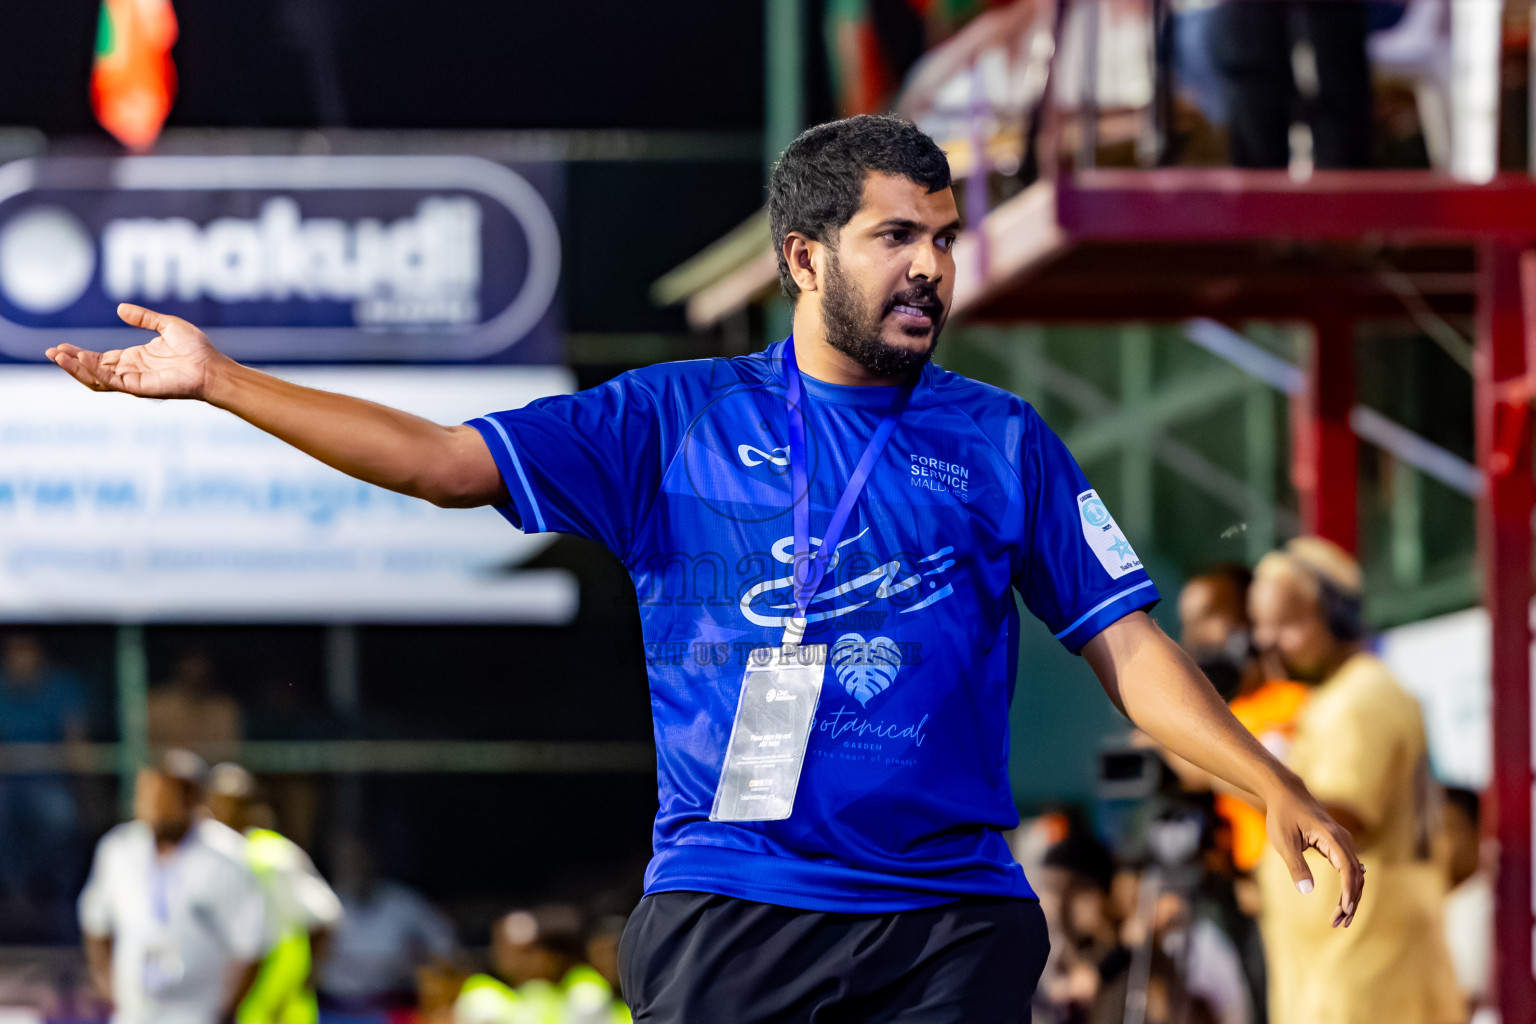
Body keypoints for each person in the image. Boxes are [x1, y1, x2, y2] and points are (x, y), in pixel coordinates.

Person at [46, 113, 1361, 1023]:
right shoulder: (665, 420)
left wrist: (1270, 778)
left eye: (945, 239)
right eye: (897, 237)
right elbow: (442, 462)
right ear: (804, 257)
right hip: (736, 909)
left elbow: (1127, 647)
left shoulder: (1001, 439)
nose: (932, 269)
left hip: (951, 922)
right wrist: (224, 382)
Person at [1248, 537, 1460, 1024]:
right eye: (1262, 627)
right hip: (1345, 978)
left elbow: (1335, 821)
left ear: (1337, 616)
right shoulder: (1333, 699)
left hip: (1368, 985)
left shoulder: (1362, 697)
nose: (1268, 643)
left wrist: (1221, 772)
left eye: (1288, 624)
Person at [77, 749, 269, 1024]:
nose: (156, 806)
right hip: (135, 1012)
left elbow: (250, 946)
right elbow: (95, 922)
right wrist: (110, 989)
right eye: (150, 796)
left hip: (198, 1013)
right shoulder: (120, 849)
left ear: (194, 798)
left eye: (167, 797)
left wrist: (226, 1010)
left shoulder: (228, 857)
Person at [203, 763, 343, 1024]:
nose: (227, 813)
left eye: (236, 803)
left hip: (275, 1011)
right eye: (219, 803)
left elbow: (324, 921)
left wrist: (298, 983)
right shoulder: (200, 859)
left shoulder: (273, 857)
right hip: (224, 1009)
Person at [0, 631, 91, 938]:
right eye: (15, 651)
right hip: (6, 783)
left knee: (59, 813)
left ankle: (51, 893)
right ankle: (15, 896)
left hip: (50, 781)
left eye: (28, 650)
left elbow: (75, 745)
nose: (22, 658)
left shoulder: (64, 687)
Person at [315, 836, 456, 1013]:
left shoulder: (403, 901)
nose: (356, 869)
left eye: (362, 862)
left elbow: (445, 943)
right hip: (332, 1005)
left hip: (392, 1004)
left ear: (373, 865)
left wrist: (422, 960)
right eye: (350, 863)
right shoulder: (323, 902)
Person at [454, 905, 628, 1024]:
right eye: (511, 950)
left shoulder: (570, 989)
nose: (526, 959)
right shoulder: (482, 993)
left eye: (530, 950)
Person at [1438, 787, 1492, 1022]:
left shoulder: (1481, 903)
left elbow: (1462, 996)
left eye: (1449, 829)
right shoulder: (1442, 902)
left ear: (1477, 834)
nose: (1438, 842)